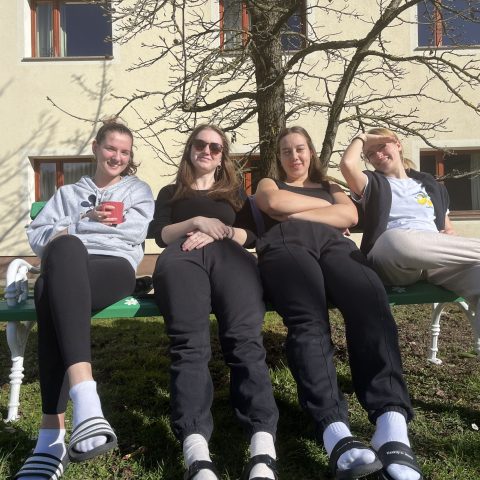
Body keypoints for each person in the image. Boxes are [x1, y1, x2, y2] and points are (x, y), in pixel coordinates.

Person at [254, 126, 422, 480]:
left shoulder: (330, 184)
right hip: (286, 244)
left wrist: (299, 210)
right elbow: (274, 204)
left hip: (334, 245)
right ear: (279, 157)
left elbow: (350, 217)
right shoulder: (269, 183)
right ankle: (334, 429)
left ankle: (390, 422)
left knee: (371, 302)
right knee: (308, 319)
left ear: (311, 152)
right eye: (286, 151)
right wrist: (326, 208)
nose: (294, 156)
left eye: (300, 148)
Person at [15, 120, 155, 480]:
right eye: (111, 148)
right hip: (68, 268)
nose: (118, 157)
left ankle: (50, 440)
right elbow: (39, 238)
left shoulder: (137, 190)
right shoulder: (68, 194)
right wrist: (82, 220)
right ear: (96, 147)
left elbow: (133, 231)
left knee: (52, 277)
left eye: (125, 152)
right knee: (62, 258)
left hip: (113, 267)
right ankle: (86, 402)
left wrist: (67, 229)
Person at [150, 124, 279, 480]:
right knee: (189, 344)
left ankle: (263, 446)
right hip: (181, 258)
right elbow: (160, 234)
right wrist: (197, 221)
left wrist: (220, 231)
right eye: (200, 144)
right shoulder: (170, 192)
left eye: (215, 147)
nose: (207, 151)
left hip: (230, 257)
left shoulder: (236, 193)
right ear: (190, 149)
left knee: (245, 340)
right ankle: (196, 451)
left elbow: (251, 235)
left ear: (223, 157)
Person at [340, 128, 480, 347]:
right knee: (396, 240)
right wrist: (363, 137)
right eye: (370, 154)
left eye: (382, 147)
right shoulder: (371, 182)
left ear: (398, 144)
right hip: (393, 260)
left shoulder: (430, 185)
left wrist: (449, 233)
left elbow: (448, 229)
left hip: (434, 259)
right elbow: (347, 165)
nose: (377, 155)